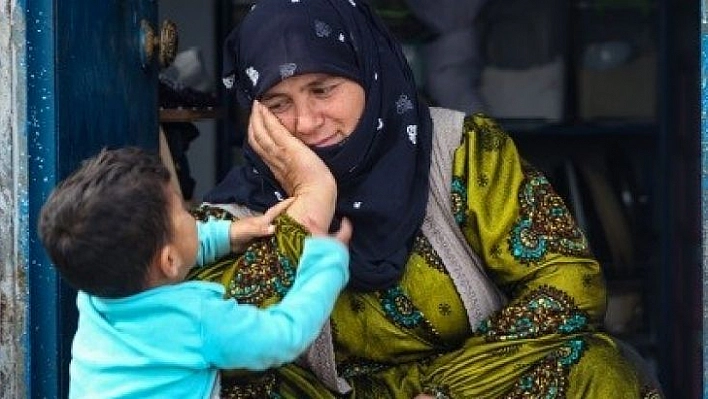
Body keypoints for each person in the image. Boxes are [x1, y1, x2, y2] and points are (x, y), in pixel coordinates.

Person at [192, 0, 664, 397]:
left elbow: (569, 282)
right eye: (278, 104)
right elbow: (211, 342)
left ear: (369, 72)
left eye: (323, 89)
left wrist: (447, 391)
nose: (307, 122)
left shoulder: (461, 151)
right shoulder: (232, 218)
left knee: (596, 367)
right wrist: (311, 199)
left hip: (475, 388)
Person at [37, 147, 351, 399]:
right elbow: (285, 336)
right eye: (184, 212)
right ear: (169, 261)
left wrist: (230, 234)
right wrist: (326, 262)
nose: (193, 214)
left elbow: (177, 252)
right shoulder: (198, 320)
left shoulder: (95, 293)